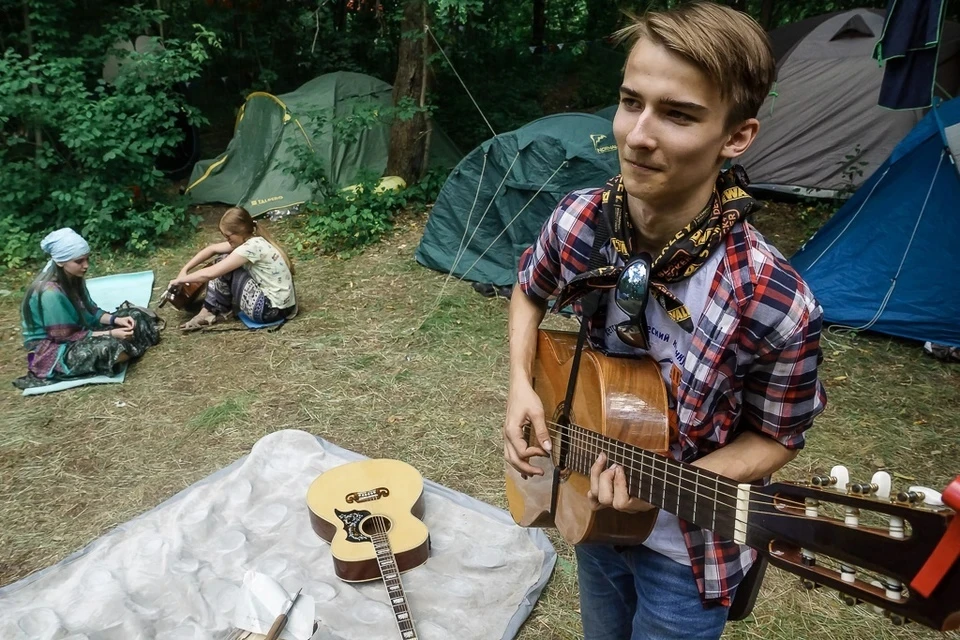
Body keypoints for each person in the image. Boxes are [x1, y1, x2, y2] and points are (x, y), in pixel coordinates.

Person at [502, 4, 827, 639]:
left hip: (690, 553)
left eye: (677, 114)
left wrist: (670, 484)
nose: (637, 134)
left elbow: (778, 439)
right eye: (630, 101)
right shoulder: (581, 222)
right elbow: (528, 291)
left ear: (736, 137)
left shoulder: (774, 300)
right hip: (588, 508)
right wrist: (520, 383)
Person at [15, 228, 162, 390]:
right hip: (54, 348)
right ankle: (128, 345)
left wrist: (117, 320)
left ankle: (128, 345)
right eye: (79, 262)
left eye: (87, 259)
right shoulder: (50, 294)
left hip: (81, 331)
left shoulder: (74, 277)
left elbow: (91, 311)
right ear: (60, 262)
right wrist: (112, 333)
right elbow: (66, 336)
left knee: (136, 315)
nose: (86, 266)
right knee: (111, 348)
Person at [171, 207, 297, 330]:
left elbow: (210, 274)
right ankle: (210, 310)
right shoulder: (255, 241)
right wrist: (184, 270)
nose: (227, 240)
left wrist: (179, 281)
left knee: (224, 262)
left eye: (228, 236)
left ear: (240, 231)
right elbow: (212, 249)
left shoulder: (250, 248)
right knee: (224, 258)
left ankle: (209, 311)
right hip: (284, 308)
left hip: (269, 311)